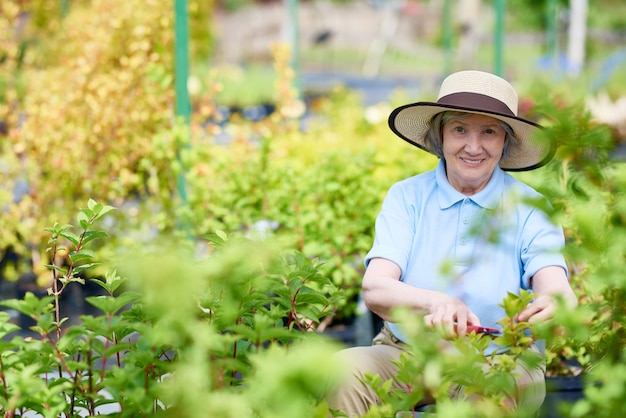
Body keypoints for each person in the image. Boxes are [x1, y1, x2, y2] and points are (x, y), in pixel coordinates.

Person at [327, 70, 578, 417]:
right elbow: (376, 289)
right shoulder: (407, 197)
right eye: (460, 129)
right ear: (440, 135)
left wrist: (555, 303)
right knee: (344, 370)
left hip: (502, 359)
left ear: (506, 140)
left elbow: (556, 287)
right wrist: (436, 303)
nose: (473, 147)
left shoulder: (531, 207)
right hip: (410, 352)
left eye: (489, 131)